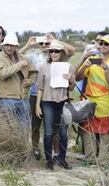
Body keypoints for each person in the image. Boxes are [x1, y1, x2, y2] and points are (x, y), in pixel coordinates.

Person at [20, 34, 76, 160]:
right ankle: (35, 149)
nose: (44, 46)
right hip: (36, 94)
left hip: (55, 95)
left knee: (53, 127)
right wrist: (28, 45)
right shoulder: (34, 57)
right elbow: (16, 56)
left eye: (47, 44)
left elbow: (72, 50)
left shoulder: (59, 56)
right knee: (35, 125)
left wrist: (55, 40)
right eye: (41, 44)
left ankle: (55, 152)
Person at [75, 34, 109, 166]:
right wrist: (84, 65)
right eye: (100, 43)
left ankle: (103, 162)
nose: (103, 46)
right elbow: (78, 77)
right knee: (88, 131)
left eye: (106, 43)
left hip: (107, 102)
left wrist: (106, 69)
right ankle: (90, 159)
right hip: (90, 102)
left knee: (106, 133)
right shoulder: (93, 59)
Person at [35, 40, 75, 170]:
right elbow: (40, 87)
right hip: (47, 101)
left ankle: (62, 159)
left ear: (62, 52)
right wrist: (37, 105)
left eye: (56, 51)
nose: (53, 53)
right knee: (49, 132)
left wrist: (70, 80)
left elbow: (72, 87)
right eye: (51, 51)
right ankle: (48, 160)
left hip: (62, 101)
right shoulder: (43, 67)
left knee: (63, 132)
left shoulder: (69, 66)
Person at [0, 32, 36, 128]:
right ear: (3, 45)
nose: (9, 47)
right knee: (8, 130)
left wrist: (30, 81)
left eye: (11, 45)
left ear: (16, 46)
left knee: (25, 129)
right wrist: (19, 65)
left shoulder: (23, 58)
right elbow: (2, 73)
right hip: (6, 98)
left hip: (23, 99)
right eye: (7, 45)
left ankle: (22, 144)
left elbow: (34, 73)